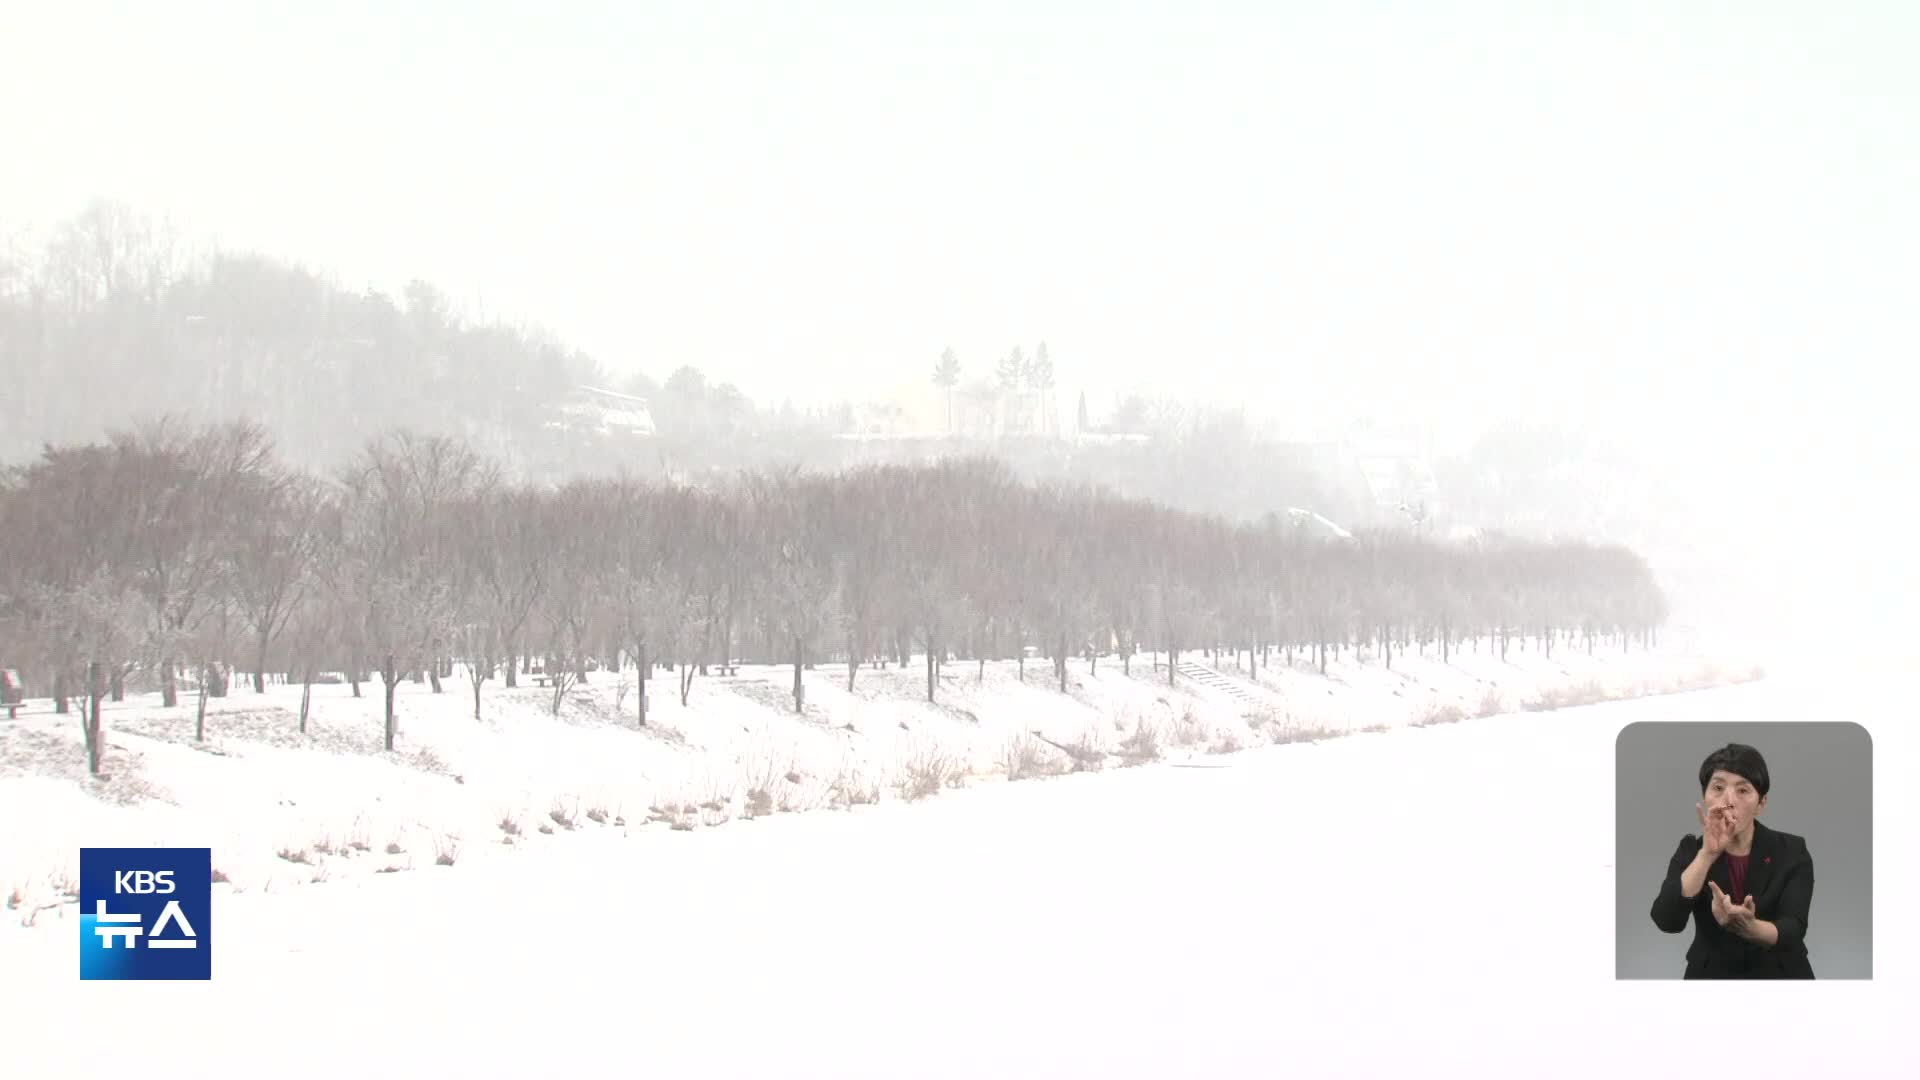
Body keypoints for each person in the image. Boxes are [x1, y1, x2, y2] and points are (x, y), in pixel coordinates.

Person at [1649, 742, 1815, 978]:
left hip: (1781, 974)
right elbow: (1667, 920)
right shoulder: (1691, 851)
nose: (1728, 800)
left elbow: (1794, 928)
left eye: (1743, 790)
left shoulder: (1791, 850)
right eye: (1718, 788)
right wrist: (1707, 854)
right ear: (1705, 797)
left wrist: (1751, 928)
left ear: (1761, 804)